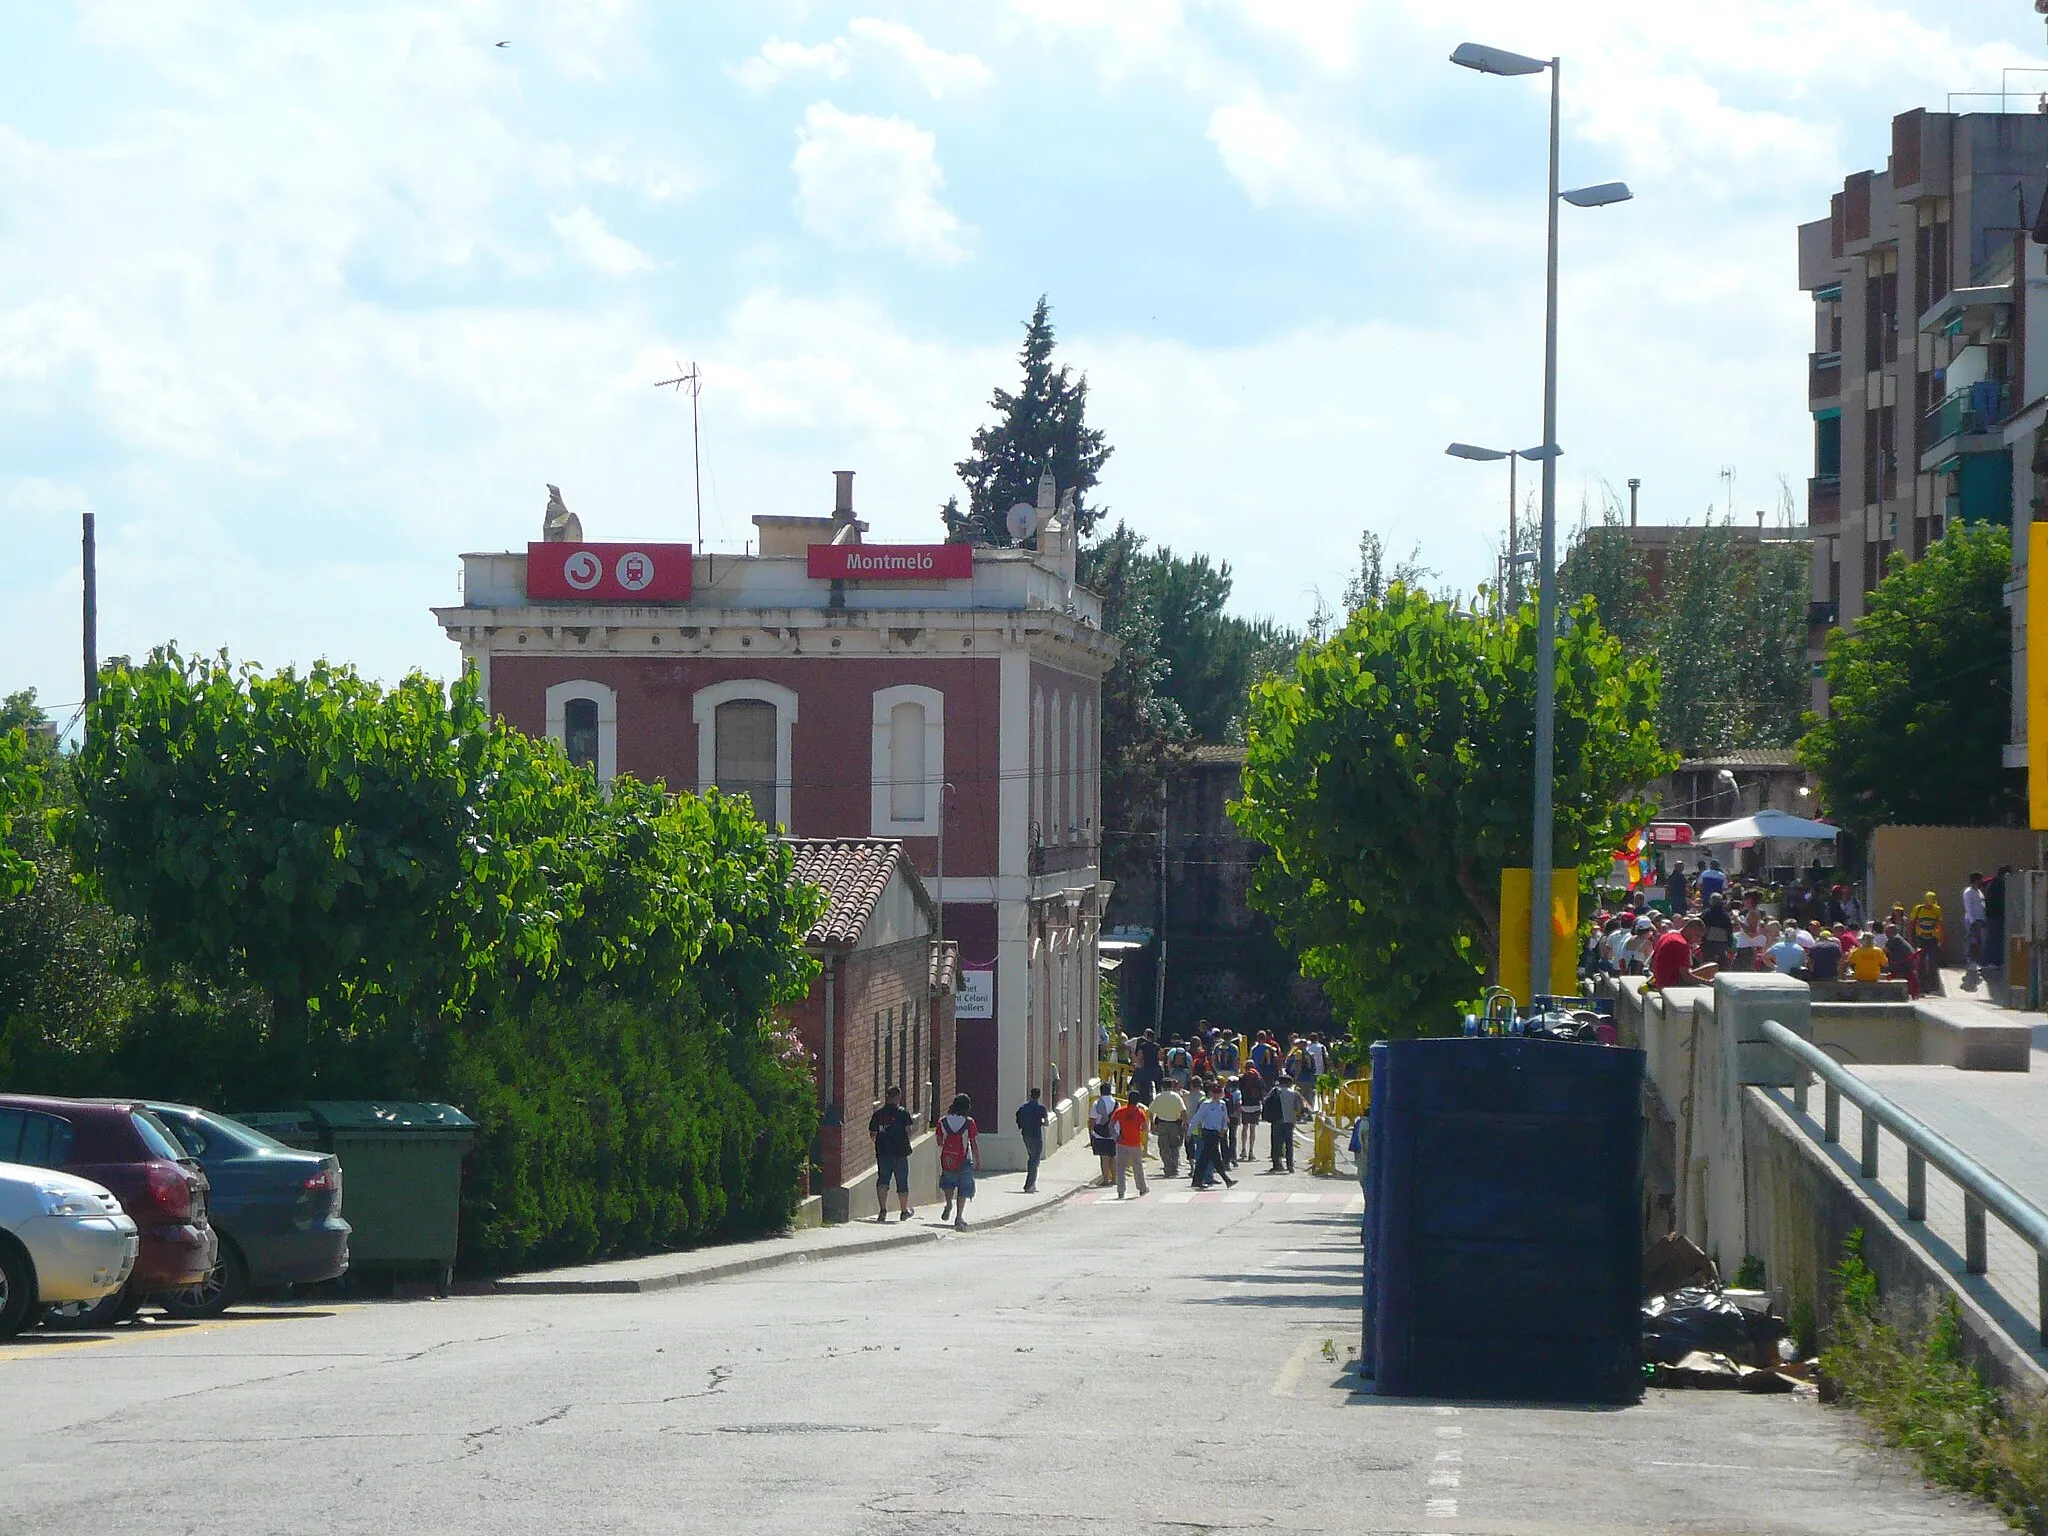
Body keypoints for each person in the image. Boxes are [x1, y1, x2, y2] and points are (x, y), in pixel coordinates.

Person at [868, 1086, 916, 1224]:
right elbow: (909, 1130)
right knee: (902, 1182)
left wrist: (880, 1143)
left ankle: (882, 1211)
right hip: (900, 1153)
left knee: (883, 1181)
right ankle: (903, 1211)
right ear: (898, 1097)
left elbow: (872, 1133)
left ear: (887, 1096)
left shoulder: (878, 1114)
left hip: (883, 1153)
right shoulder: (903, 1113)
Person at [935, 1094, 979, 1230]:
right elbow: (973, 1142)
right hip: (965, 1160)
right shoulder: (969, 1122)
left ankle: (948, 1203)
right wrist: (978, 1160)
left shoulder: (943, 1121)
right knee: (963, 1188)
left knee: (948, 1183)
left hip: (948, 1159)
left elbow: (939, 1141)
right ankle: (959, 1217)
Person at [1189, 1082, 1236, 1189]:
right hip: (1208, 1133)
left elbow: (1224, 1118)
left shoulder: (1222, 1104)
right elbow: (1197, 1118)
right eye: (1215, 1093)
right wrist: (1189, 1132)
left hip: (1217, 1133)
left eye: (1219, 1093)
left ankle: (1198, 1181)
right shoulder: (1206, 1104)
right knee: (1211, 1158)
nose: (1217, 1095)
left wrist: (1224, 1128)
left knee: (1208, 1158)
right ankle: (1226, 1179)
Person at [1650, 916, 1717, 990]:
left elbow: (1652, 964)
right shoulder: (1681, 944)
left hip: (1660, 980)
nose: (1699, 939)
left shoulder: (1666, 936)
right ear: (1691, 931)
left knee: (1712, 967)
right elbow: (1686, 978)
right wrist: (1708, 983)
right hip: (1671, 985)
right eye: (1698, 936)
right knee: (1711, 972)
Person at [1109, 1090, 1151, 1199]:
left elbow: (1111, 1125)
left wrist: (1116, 1136)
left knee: (1120, 1168)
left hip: (1121, 1142)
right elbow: (1145, 1128)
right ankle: (1142, 1188)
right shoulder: (1140, 1112)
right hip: (1135, 1143)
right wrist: (1138, 1130)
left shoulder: (1120, 1111)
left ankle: (1121, 1191)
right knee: (1138, 1167)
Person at [1909, 890, 1946, 997]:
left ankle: (1933, 986)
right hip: (1920, 938)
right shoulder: (1918, 909)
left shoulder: (1937, 910)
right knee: (1920, 961)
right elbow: (1911, 924)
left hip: (1932, 938)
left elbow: (1940, 925)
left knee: (1933, 961)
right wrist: (1911, 938)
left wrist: (1941, 940)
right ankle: (1921, 986)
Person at [1264, 1074, 1304, 1173]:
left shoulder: (1274, 1091)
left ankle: (1276, 1164)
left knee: (1276, 1143)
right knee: (1289, 1144)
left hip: (1277, 1120)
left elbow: (1265, 1101)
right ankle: (1290, 1166)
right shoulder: (1294, 1093)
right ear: (1289, 1083)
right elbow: (1299, 1107)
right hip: (1289, 1121)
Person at [1014, 1087, 1050, 1194]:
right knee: (1035, 1159)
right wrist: (1040, 1123)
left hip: (1026, 1135)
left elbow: (1018, 1118)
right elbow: (1046, 1123)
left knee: (1031, 1158)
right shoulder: (1041, 1108)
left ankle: (1032, 1184)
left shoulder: (1023, 1107)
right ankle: (1029, 1185)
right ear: (1039, 1096)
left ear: (1030, 1095)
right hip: (1036, 1135)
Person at [1149, 1079, 1188, 1178]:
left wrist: (1152, 1123)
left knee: (1163, 1148)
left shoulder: (1158, 1097)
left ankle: (1168, 1167)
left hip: (1162, 1125)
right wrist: (1185, 1122)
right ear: (1171, 1086)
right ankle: (1173, 1168)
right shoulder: (1176, 1096)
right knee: (1175, 1147)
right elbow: (1183, 1111)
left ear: (1163, 1086)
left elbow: (1151, 1111)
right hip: (1174, 1124)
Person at [1088, 1081, 1119, 1186]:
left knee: (1104, 1158)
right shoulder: (1116, 1103)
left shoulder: (1096, 1103)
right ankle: (1115, 1179)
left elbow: (1092, 1120)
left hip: (1100, 1134)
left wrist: (1091, 1133)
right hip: (1113, 1134)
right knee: (1113, 1157)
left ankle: (1105, 1180)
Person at [1962, 873, 1988, 991]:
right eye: (1979, 880)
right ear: (1975, 880)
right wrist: (1972, 921)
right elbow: (1968, 907)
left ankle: (1976, 962)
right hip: (1972, 920)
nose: (1981, 882)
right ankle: (1971, 962)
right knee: (1972, 942)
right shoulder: (1969, 892)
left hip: (1980, 920)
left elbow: (1981, 905)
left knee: (1979, 942)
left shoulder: (1979, 892)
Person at [1235, 1064, 1264, 1162]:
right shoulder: (1258, 1078)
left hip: (1245, 1105)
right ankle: (1251, 1151)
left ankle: (1243, 1150)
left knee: (1244, 1128)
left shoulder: (1242, 1078)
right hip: (1255, 1105)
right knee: (1252, 1129)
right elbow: (1263, 1091)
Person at [1699, 892, 1736, 968]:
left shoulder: (1706, 914)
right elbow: (1729, 930)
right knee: (1723, 964)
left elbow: (1701, 927)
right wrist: (1729, 944)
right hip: (1721, 944)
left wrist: (1701, 940)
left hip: (1708, 943)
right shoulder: (1725, 915)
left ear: (1710, 901)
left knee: (1707, 964)